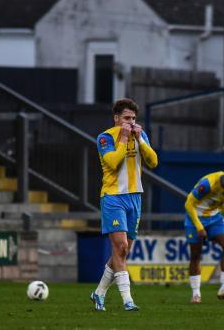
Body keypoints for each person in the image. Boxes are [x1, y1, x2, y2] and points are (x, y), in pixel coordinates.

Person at [90, 98, 158, 312]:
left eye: (134, 119)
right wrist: (124, 138)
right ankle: (128, 300)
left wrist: (141, 141)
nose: (131, 122)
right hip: (113, 197)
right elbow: (112, 162)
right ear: (116, 118)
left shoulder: (140, 136)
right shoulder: (105, 138)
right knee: (121, 247)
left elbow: (153, 161)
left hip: (135, 197)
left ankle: (98, 293)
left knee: (122, 252)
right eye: (127, 118)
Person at [185, 170, 224, 303]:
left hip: (215, 218)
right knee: (196, 254)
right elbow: (188, 204)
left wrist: (221, 226)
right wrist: (200, 227)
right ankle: (196, 294)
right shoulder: (208, 184)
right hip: (195, 217)